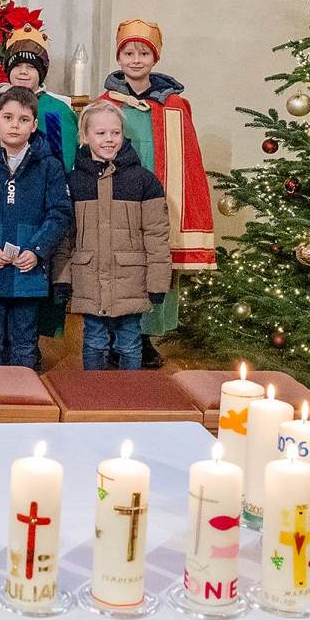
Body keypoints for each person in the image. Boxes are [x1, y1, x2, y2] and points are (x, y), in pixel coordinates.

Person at [101, 19, 215, 367]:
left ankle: (146, 338)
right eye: (129, 53)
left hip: (162, 200)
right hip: (119, 198)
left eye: (144, 53)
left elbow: (189, 163)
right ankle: (114, 335)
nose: (136, 60)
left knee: (156, 264)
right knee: (119, 263)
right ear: (119, 58)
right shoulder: (106, 104)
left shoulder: (175, 106)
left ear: (155, 58)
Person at [0, 88, 72, 369]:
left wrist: (37, 250)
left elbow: (59, 213)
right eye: (8, 117)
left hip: (28, 270)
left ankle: (22, 394)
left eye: (23, 119)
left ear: (34, 125)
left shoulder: (49, 166)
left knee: (24, 342)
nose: (15, 125)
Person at [54, 100, 171, 371]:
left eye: (115, 133)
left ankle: (128, 393)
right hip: (89, 278)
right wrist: (61, 278)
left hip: (130, 280)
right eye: (101, 133)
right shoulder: (74, 181)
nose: (109, 139)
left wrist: (157, 282)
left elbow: (156, 235)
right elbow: (65, 237)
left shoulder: (144, 181)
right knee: (94, 341)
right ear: (85, 137)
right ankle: (95, 391)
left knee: (129, 342)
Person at [0, 26, 78, 169]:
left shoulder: (57, 112)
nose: (23, 72)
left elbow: (64, 164)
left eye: (31, 67)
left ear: (41, 73)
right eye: (17, 66)